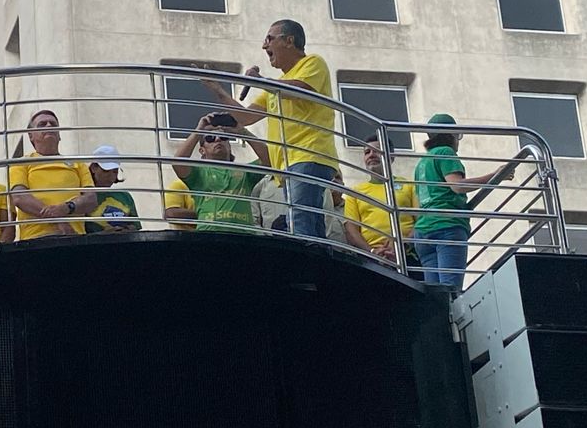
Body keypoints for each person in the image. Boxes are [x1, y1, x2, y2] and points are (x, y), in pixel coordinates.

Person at [206, 19, 340, 240]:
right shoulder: (276, 85)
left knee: (300, 219)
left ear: (289, 41)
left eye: (269, 39)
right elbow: (247, 117)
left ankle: (307, 264)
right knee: (306, 219)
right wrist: (218, 91)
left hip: (309, 153)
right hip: (289, 162)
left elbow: (300, 90)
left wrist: (259, 80)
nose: (264, 46)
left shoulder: (312, 63)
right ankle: (317, 262)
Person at [412, 113, 518, 289]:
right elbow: (458, 186)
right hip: (446, 226)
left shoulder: (422, 162)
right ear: (452, 135)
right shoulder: (446, 152)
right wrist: (495, 176)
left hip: (423, 232)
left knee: (434, 294)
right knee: (450, 289)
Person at [171, 112, 271, 231]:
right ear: (202, 150)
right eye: (210, 138)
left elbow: (269, 159)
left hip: (243, 236)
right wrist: (199, 131)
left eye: (224, 138)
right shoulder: (198, 174)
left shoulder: (245, 172)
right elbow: (178, 162)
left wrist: (243, 132)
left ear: (229, 146)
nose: (218, 139)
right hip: (208, 235)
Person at [8, 110, 96, 239]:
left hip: (75, 237)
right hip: (36, 238)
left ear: (59, 135)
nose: (49, 126)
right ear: (31, 135)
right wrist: (58, 218)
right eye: (42, 124)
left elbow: (91, 199)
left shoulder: (78, 164)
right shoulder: (21, 163)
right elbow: (20, 198)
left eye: (53, 124)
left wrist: (67, 208)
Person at [342, 134, 419, 265]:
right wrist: (372, 252)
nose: (371, 155)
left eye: (377, 151)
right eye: (367, 152)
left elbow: (420, 221)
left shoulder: (409, 185)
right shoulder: (355, 193)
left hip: (408, 255)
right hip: (370, 260)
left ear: (391, 157)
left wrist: (402, 245)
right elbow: (351, 230)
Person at [84, 146, 140, 233]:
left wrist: (126, 230)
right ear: (94, 168)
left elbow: (136, 226)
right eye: (106, 171)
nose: (110, 176)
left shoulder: (125, 196)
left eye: (115, 171)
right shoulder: (83, 195)